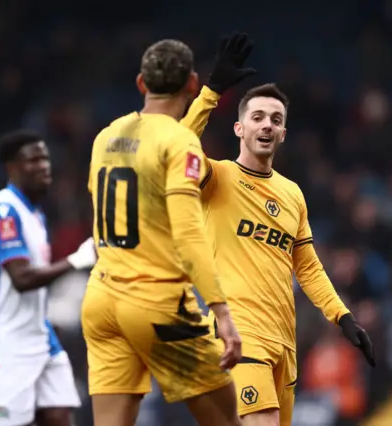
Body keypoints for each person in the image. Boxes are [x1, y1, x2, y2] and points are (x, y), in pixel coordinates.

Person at [179, 33, 376, 426]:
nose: (267, 125)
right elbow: (175, 147)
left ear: (283, 133)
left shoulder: (292, 194)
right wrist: (212, 91)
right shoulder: (216, 177)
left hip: (285, 345)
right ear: (239, 129)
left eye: (276, 119)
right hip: (240, 334)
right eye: (257, 117)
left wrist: (342, 317)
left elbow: (307, 267)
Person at [81, 38, 243, 426]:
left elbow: (160, 148)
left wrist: (210, 96)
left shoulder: (106, 136)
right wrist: (221, 311)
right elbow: (188, 234)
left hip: (102, 301)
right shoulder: (177, 142)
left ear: (141, 83)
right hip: (158, 303)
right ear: (190, 82)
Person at [0, 130, 97, 426]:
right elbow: (21, 278)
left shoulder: (34, 214)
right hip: (8, 345)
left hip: (40, 337)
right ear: (12, 167)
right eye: (33, 160)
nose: (44, 165)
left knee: (60, 415)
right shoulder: (4, 211)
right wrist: (77, 260)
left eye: (45, 158)